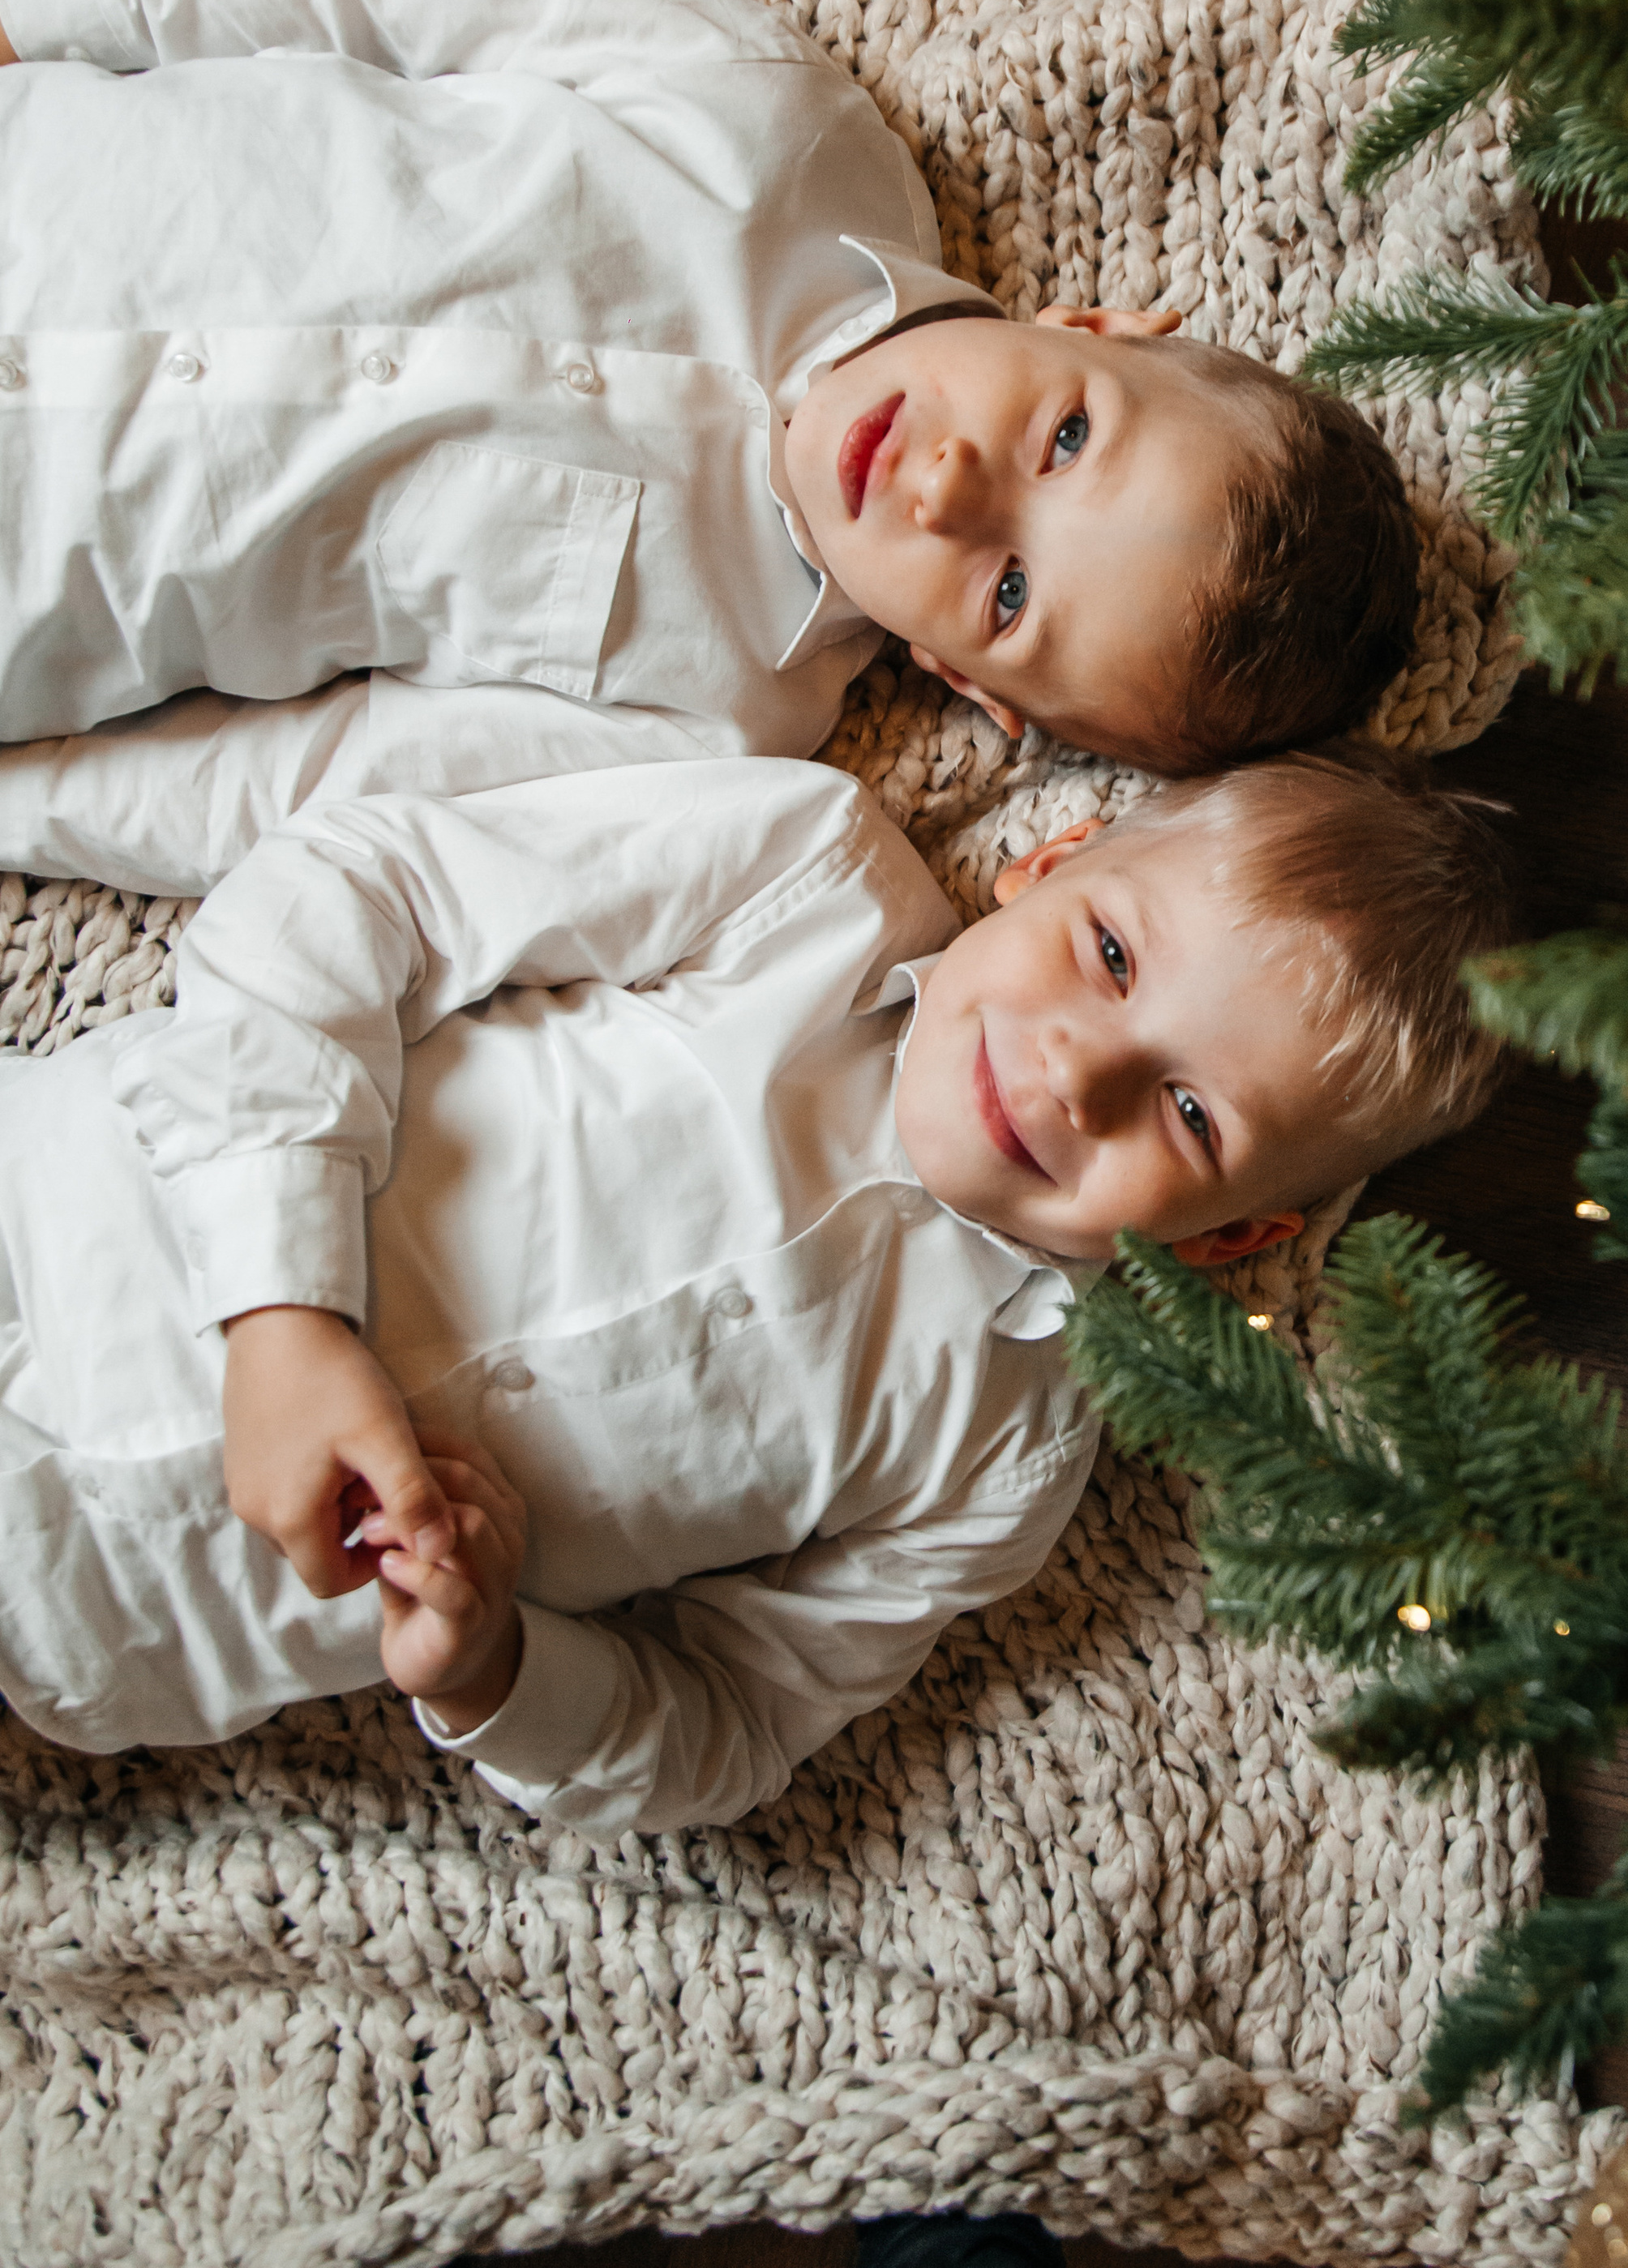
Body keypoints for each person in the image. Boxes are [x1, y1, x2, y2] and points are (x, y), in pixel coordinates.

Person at [0, 744, 1507, 1832]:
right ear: (1048, 863)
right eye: (1108, 953)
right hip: (56, 1211)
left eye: (1191, 1117)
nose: (1075, 1071)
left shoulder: (999, 1455)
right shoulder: (803, 874)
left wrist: (496, 1671)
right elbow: (349, 891)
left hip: (94, 1621)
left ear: (1232, 1238)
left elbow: (728, 1729)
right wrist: (283, 1310)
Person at [0, 0, 1417, 879]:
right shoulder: (783, 131)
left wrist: (30, 803)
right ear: (1094, 329)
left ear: (968, 684)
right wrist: (43, 5)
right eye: (1062, 438)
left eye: (1008, 592)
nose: (944, 486)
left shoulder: (713, 722)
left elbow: (319, 784)